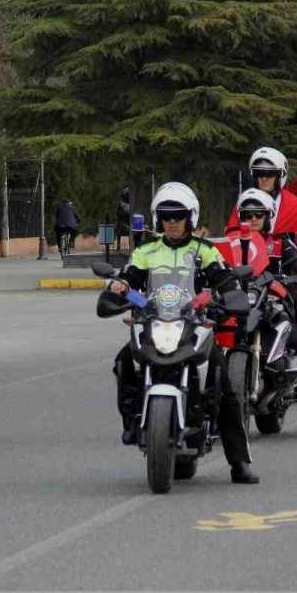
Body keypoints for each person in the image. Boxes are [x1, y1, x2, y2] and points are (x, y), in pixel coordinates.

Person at [107, 182, 259, 484]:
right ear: (158, 220)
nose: (172, 222)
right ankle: (131, 419)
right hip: (155, 322)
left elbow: (225, 280)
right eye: (166, 217)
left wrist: (224, 296)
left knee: (225, 390)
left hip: (195, 325)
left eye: (178, 216)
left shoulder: (205, 251)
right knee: (123, 361)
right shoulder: (146, 251)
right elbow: (130, 278)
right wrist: (121, 287)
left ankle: (239, 462)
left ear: (190, 218)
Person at [226, 148, 297, 437]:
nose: (264, 178)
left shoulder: (293, 209)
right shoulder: (242, 205)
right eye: (259, 173)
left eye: (269, 173)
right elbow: (227, 249)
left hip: (283, 291)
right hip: (247, 294)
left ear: (280, 175)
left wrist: (295, 271)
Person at [116, 187, 132, 251]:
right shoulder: (121, 203)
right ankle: (118, 246)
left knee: (130, 232)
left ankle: (131, 246)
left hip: (127, 222)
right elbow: (122, 212)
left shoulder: (129, 204)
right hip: (122, 223)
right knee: (120, 233)